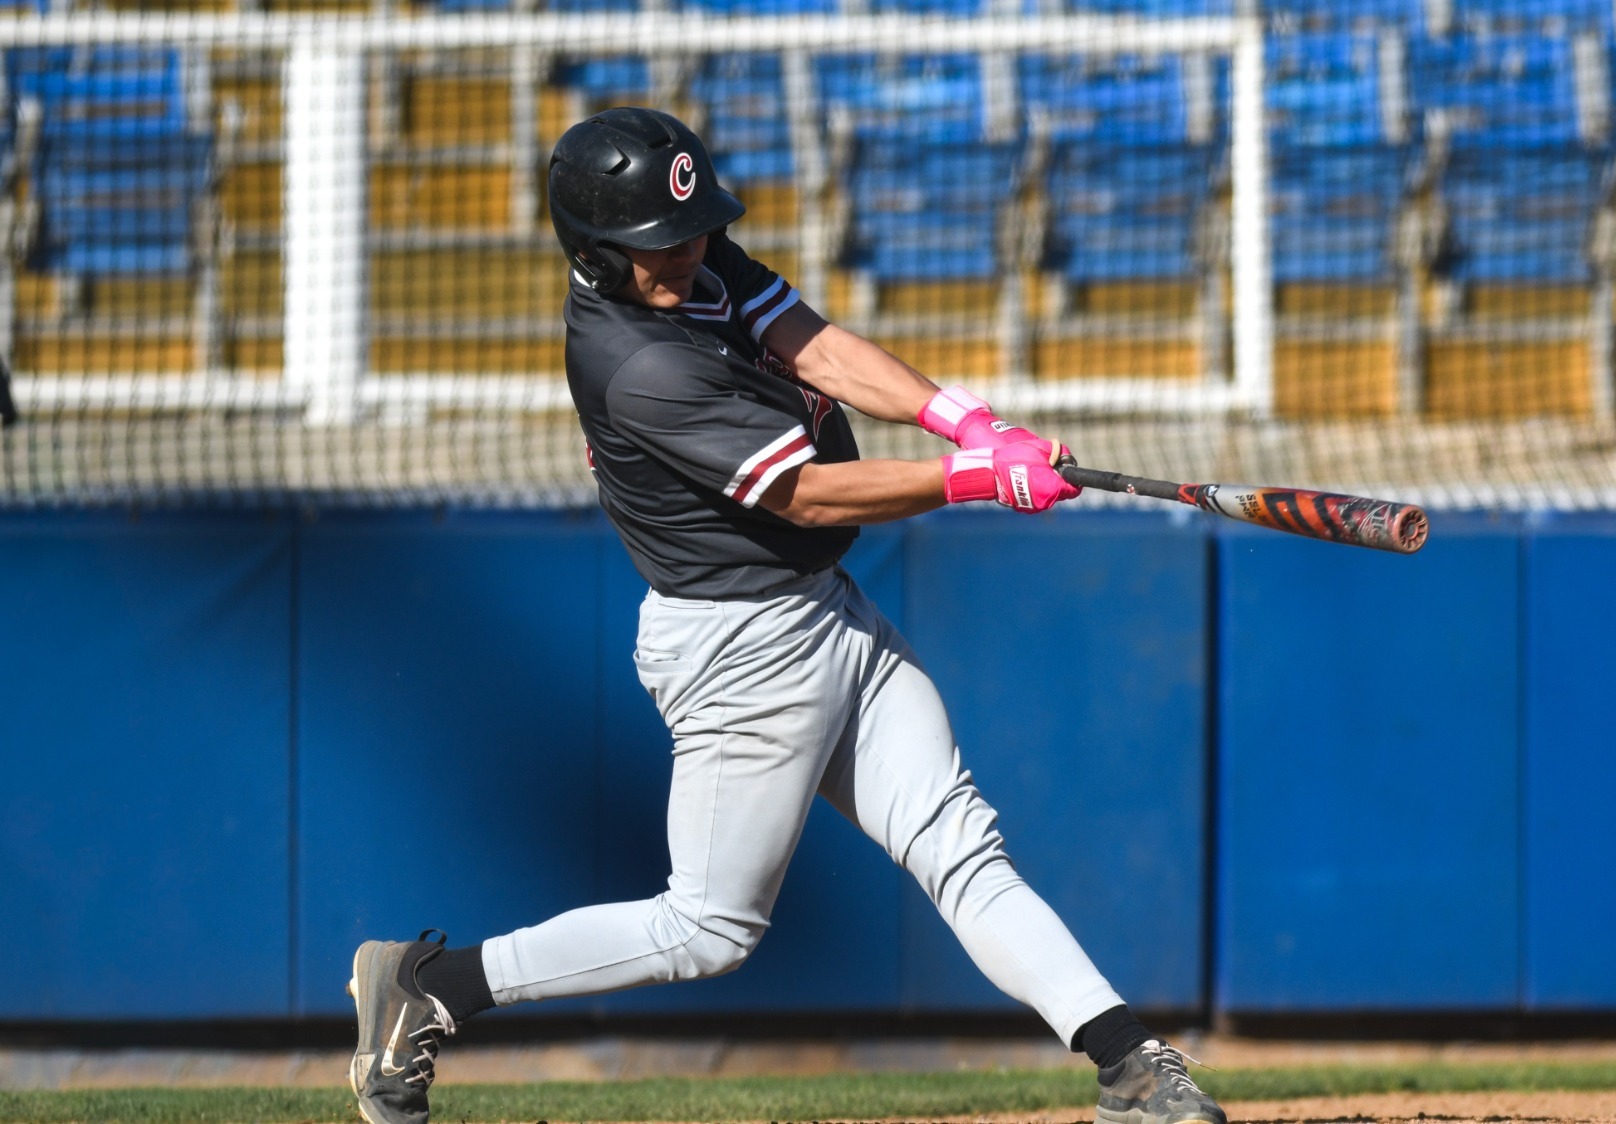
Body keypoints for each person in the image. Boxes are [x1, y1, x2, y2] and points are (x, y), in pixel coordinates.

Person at [345, 107, 1226, 1124]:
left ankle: (1129, 1062)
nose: (683, 254)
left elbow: (812, 345)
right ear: (593, 253)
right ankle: (433, 989)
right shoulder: (638, 362)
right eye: (653, 245)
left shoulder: (692, 262)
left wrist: (966, 419)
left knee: (958, 842)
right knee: (708, 927)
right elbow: (803, 494)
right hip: (738, 647)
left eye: (691, 231)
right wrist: (970, 479)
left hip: (821, 613)